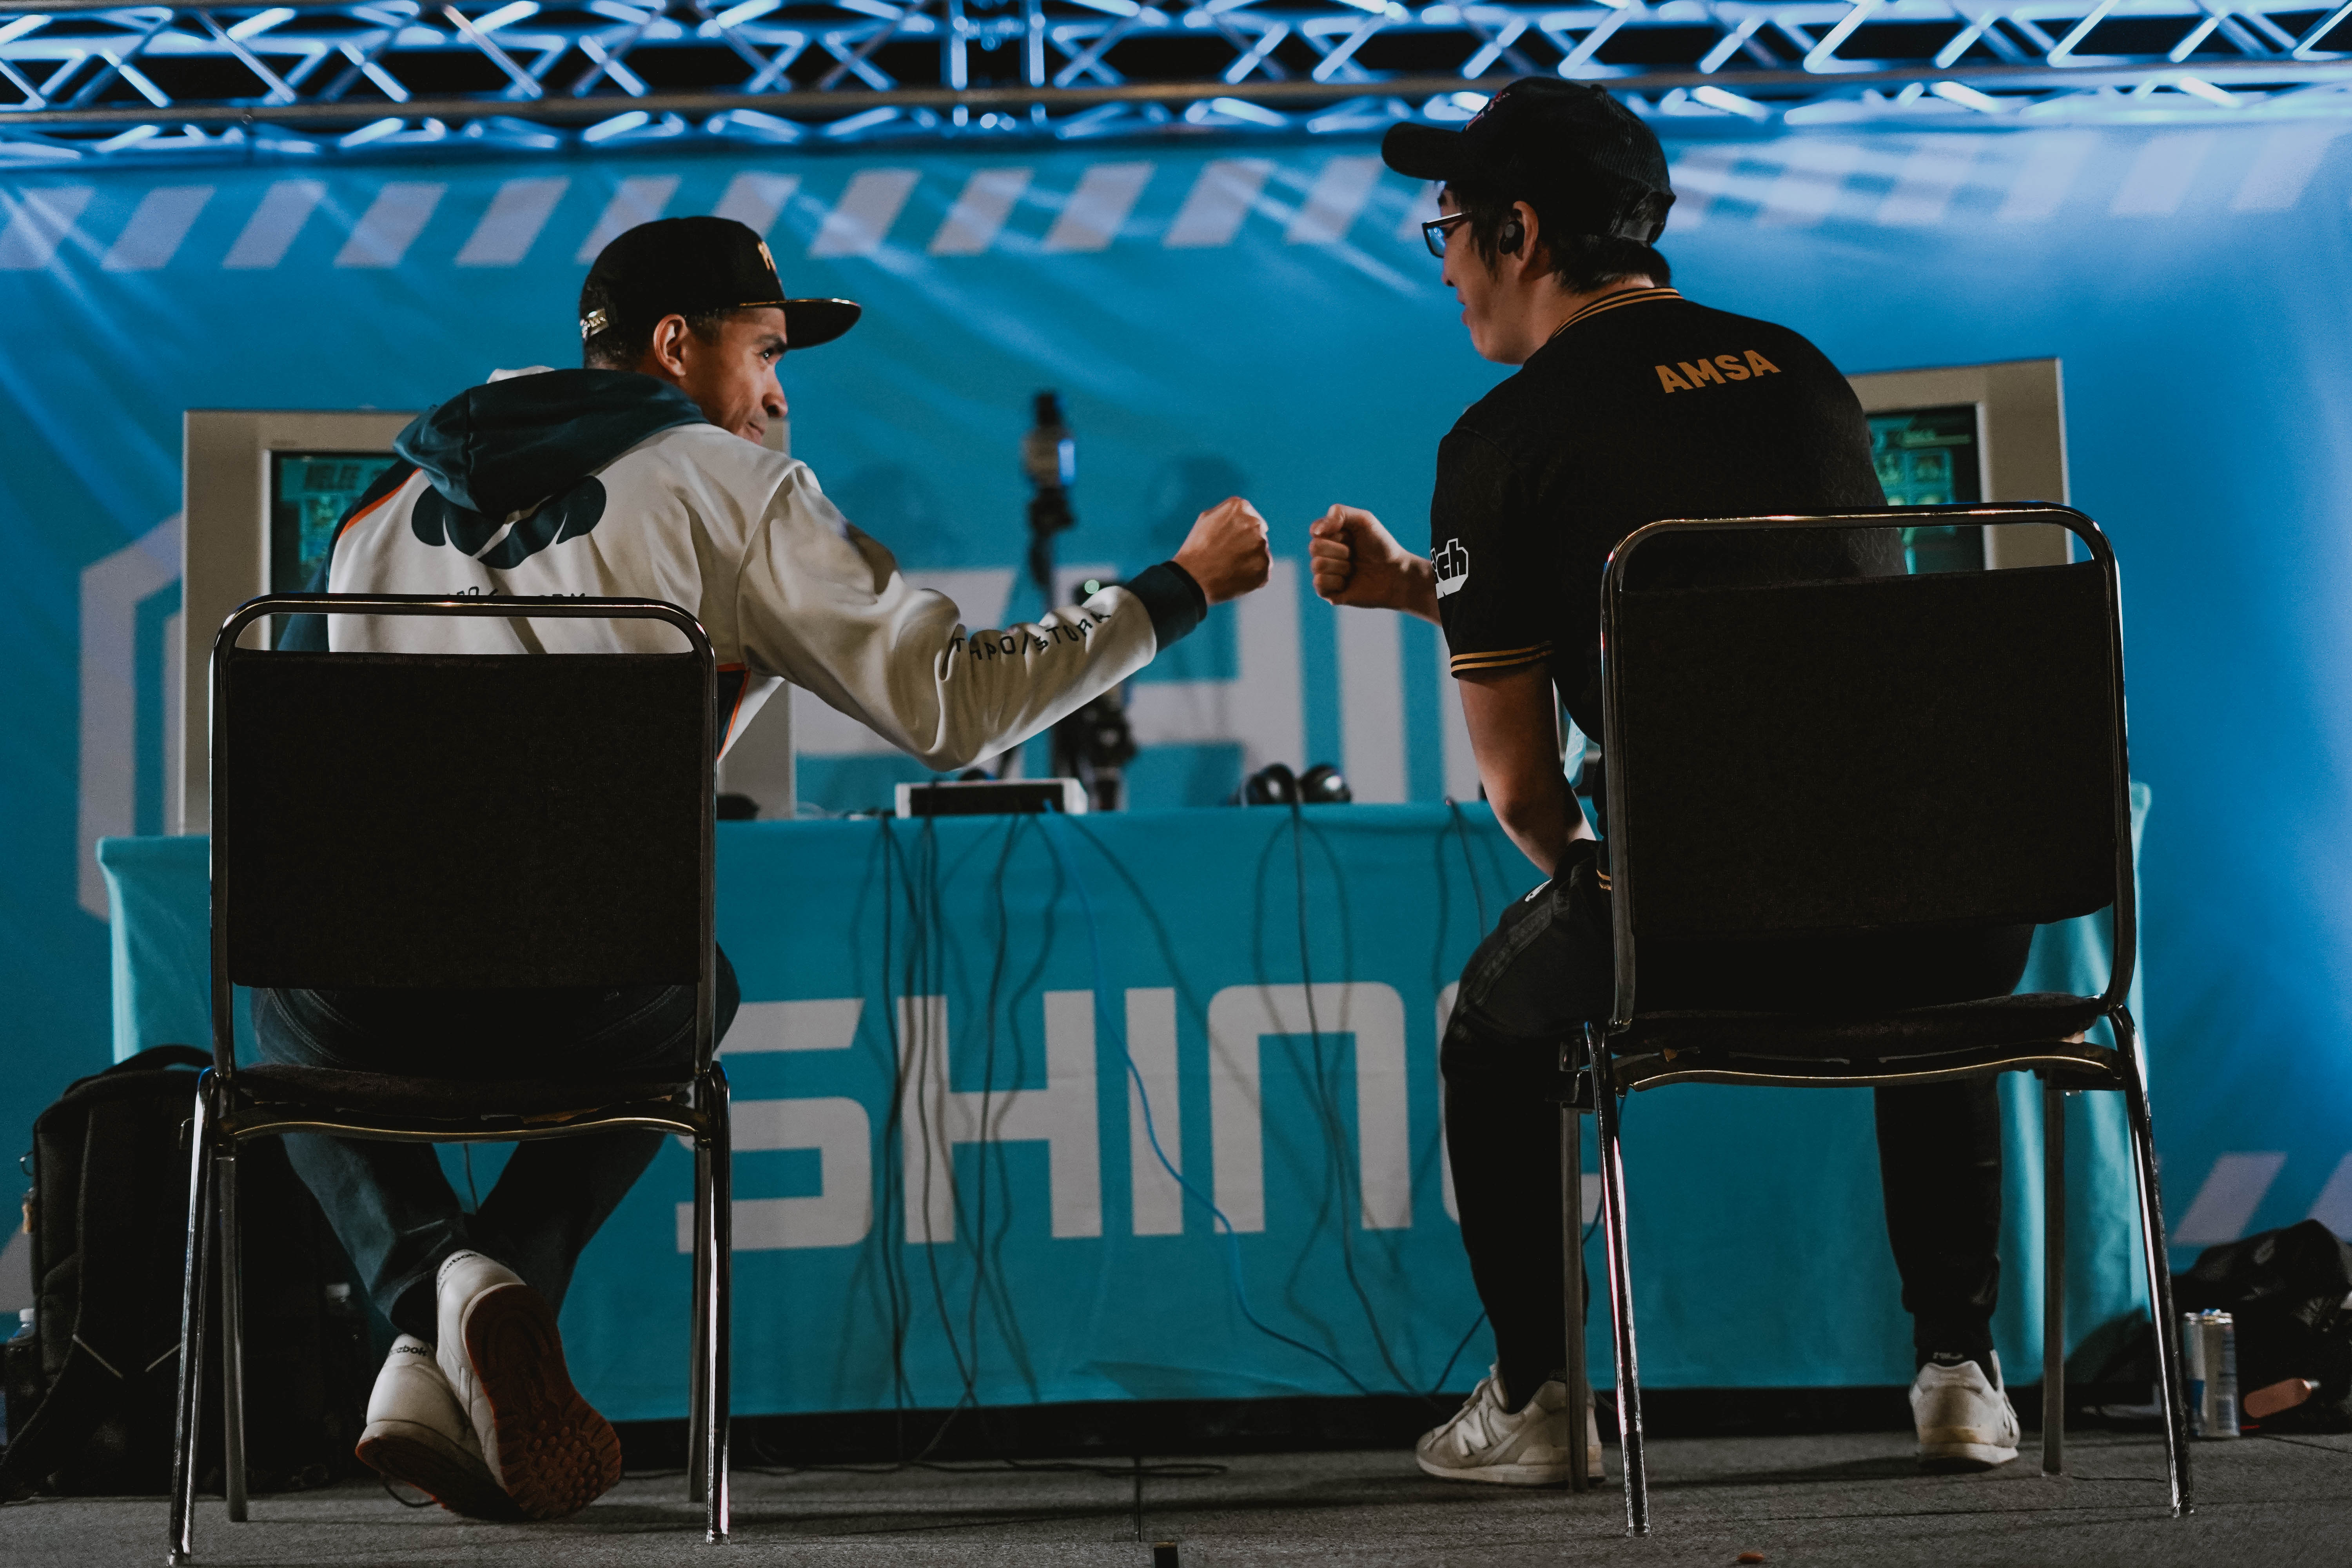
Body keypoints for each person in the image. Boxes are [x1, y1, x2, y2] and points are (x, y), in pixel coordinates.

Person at [263, 216, 1273, 1519]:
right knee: (696, 988)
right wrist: (1175, 590)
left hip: (374, 1005)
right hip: (583, 1000)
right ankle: (482, 1287)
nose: (780, 391)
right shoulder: (732, 489)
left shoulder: (378, 511)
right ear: (674, 346)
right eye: (766, 351)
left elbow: (338, 798)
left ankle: (436, 1313)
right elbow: (957, 706)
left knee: (277, 1001)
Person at [1307, 79, 2027, 1485]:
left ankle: (1541, 1399)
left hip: (1699, 931)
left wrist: (1600, 879)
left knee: (1490, 1027)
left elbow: (1527, 797)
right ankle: (1960, 1368)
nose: (1443, 266)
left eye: (1449, 229)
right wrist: (1422, 590)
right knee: (1923, 937)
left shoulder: (1500, 441)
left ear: (1520, 234)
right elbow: (1783, 660)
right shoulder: (1805, 374)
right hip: (1952, 923)